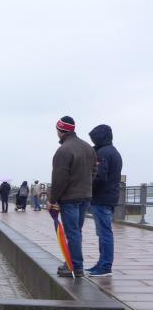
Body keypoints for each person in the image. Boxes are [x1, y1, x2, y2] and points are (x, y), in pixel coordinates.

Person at [49, 116, 97, 278]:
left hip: (70, 198)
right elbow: (94, 171)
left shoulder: (63, 150)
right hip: (85, 196)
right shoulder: (88, 148)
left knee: (72, 232)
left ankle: (75, 267)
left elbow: (59, 179)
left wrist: (52, 199)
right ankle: (71, 263)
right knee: (76, 231)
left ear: (60, 130)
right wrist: (85, 185)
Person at [87, 124, 122, 277]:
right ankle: (102, 263)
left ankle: (105, 266)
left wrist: (88, 188)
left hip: (102, 198)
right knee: (103, 233)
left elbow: (100, 177)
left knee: (104, 233)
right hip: (110, 197)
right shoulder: (113, 151)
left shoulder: (102, 153)